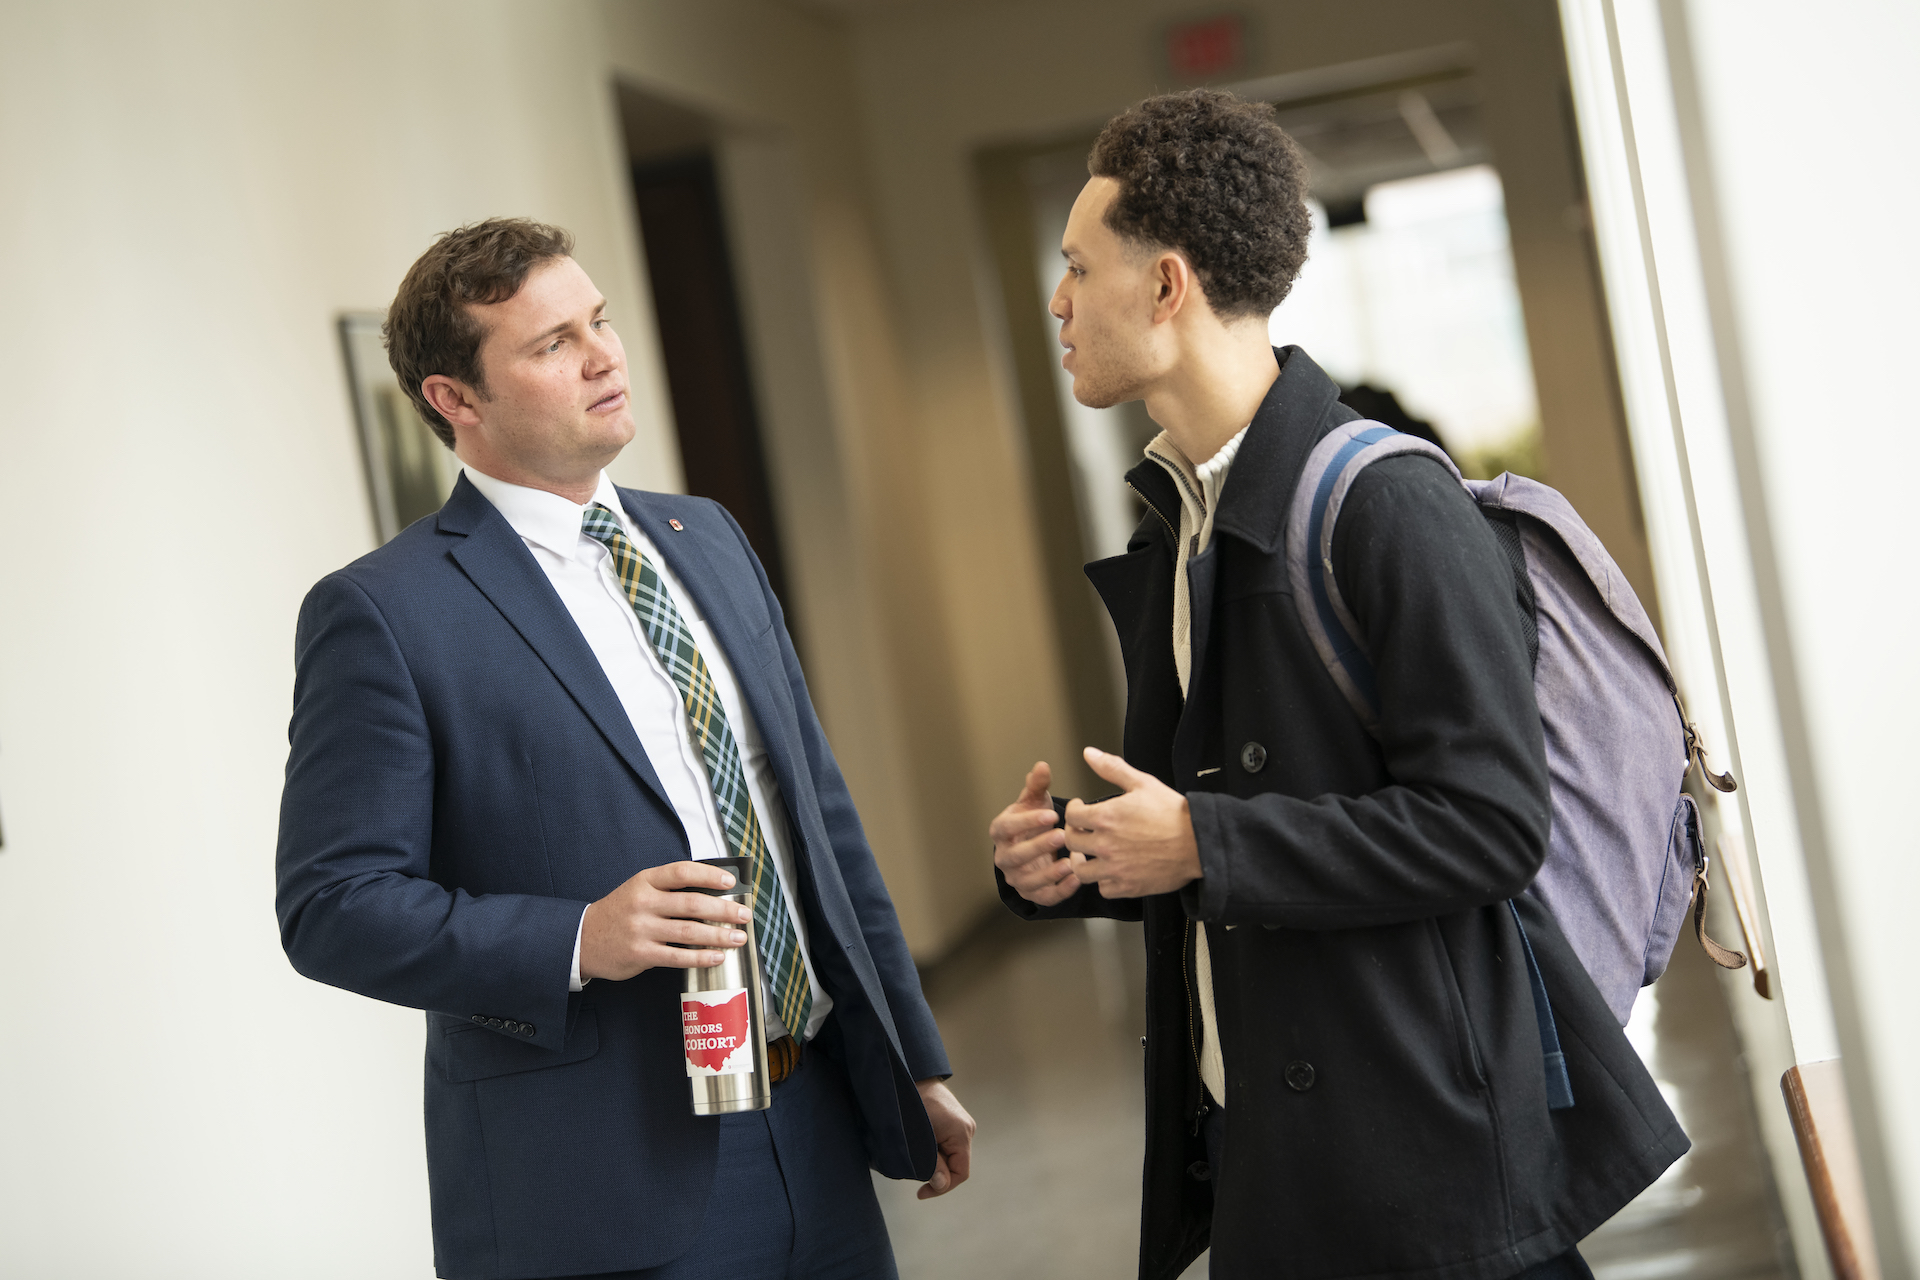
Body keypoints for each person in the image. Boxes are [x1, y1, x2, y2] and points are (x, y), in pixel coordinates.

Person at [989, 91, 1686, 1280]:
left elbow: (1491, 825)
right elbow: (1233, 818)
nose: (1055, 300)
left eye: (1076, 266)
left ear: (1166, 285)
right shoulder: (1178, 521)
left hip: (1430, 1177)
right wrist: (1083, 858)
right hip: (1274, 1159)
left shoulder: (1386, 505)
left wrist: (1202, 839)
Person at [277, 218, 972, 1280]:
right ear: (453, 401)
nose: (605, 356)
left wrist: (912, 1059)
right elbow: (331, 905)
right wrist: (579, 936)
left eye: (599, 321)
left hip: (818, 1119)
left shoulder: (710, 537)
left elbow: (818, 823)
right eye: (552, 344)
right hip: (600, 1180)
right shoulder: (384, 611)